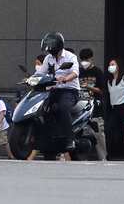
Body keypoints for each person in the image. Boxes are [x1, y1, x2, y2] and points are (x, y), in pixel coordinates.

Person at [38, 31, 80, 160]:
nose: (48, 51)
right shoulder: (48, 58)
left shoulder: (70, 57)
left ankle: (69, 139)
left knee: (63, 107)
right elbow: (40, 73)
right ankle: (49, 143)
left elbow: (75, 72)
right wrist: (31, 79)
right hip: (53, 90)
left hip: (69, 90)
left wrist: (66, 78)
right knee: (42, 110)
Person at [77, 48, 108, 159]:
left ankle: (103, 158)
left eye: (86, 59)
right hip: (80, 107)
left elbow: (102, 90)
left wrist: (90, 87)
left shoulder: (97, 72)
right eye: (82, 59)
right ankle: (81, 156)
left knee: (99, 133)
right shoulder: (78, 72)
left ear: (91, 59)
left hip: (95, 107)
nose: (84, 61)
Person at [105, 58, 124, 160]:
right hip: (114, 108)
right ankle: (112, 154)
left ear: (118, 66)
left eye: (113, 64)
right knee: (110, 129)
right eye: (110, 65)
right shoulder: (109, 81)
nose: (111, 66)